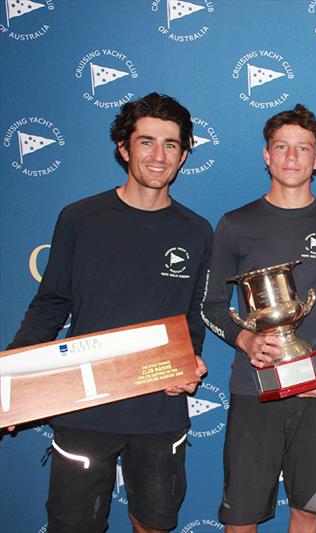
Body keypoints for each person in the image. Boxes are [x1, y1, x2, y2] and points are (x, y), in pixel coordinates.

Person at [3, 92, 212, 533]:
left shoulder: (196, 231)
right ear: (124, 148)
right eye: (146, 142)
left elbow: (192, 314)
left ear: (185, 153)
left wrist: (189, 357)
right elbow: (51, 303)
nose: (159, 156)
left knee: (154, 523)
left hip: (159, 408)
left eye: (171, 144)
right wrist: (12, 384)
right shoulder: (80, 219)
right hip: (84, 409)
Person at [200, 104, 316, 533]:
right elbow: (211, 305)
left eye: (303, 148)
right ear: (266, 155)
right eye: (282, 147)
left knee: (308, 513)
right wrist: (245, 340)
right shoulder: (235, 225)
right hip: (253, 389)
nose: (292, 158)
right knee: (242, 515)